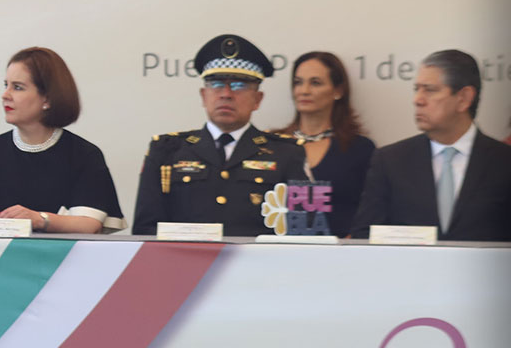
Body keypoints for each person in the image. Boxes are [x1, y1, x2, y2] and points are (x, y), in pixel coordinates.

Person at [133, 34, 306, 237]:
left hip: (261, 266)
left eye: (239, 85)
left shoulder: (287, 153)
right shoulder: (167, 150)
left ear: (257, 99)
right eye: (216, 84)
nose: (226, 94)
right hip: (187, 266)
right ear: (203, 96)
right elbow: (145, 231)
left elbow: (304, 229)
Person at [0, 47, 123, 234]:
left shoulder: (84, 155)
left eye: (17, 87)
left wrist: (39, 219)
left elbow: (89, 224)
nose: (5, 95)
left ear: (47, 99)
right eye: (5, 85)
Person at [350, 50, 511, 242]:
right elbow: (364, 236)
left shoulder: (504, 163)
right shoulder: (390, 161)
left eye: (430, 90)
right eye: (416, 89)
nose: (417, 100)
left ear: (464, 98)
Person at [276, 52, 376, 237]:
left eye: (315, 83)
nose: (304, 90)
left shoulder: (360, 149)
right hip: (276, 257)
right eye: (298, 82)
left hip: (341, 259)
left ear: (338, 91)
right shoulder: (272, 144)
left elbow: (371, 213)